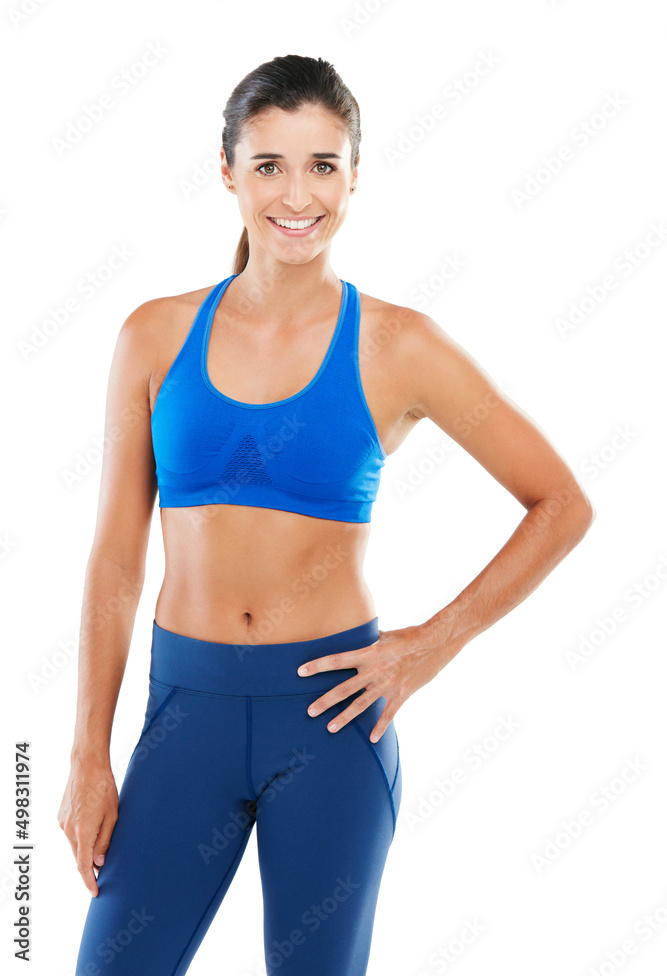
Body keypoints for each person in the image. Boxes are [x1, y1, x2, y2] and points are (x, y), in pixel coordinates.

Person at [58, 54, 595, 976]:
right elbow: (114, 558)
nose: (295, 193)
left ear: (354, 174)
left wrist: (431, 643)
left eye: (322, 164)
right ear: (227, 171)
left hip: (334, 717)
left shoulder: (399, 345)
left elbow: (561, 504)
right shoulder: (153, 335)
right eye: (268, 164)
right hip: (186, 714)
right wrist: (84, 756)